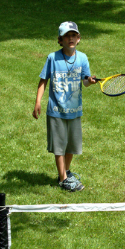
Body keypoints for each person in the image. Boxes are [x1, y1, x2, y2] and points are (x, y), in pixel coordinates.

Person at [33, 21, 99, 191]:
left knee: (71, 145)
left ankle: (66, 172)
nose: (71, 38)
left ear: (79, 38)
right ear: (60, 40)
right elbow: (43, 80)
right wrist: (38, 101)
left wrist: (90, 81)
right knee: (59, 146)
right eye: (66, 36)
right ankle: (63, 179)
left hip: (74, 111)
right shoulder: (53, 58)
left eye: (73, 35)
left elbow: (85, 81)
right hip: (56, 110)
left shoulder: (82, 58)